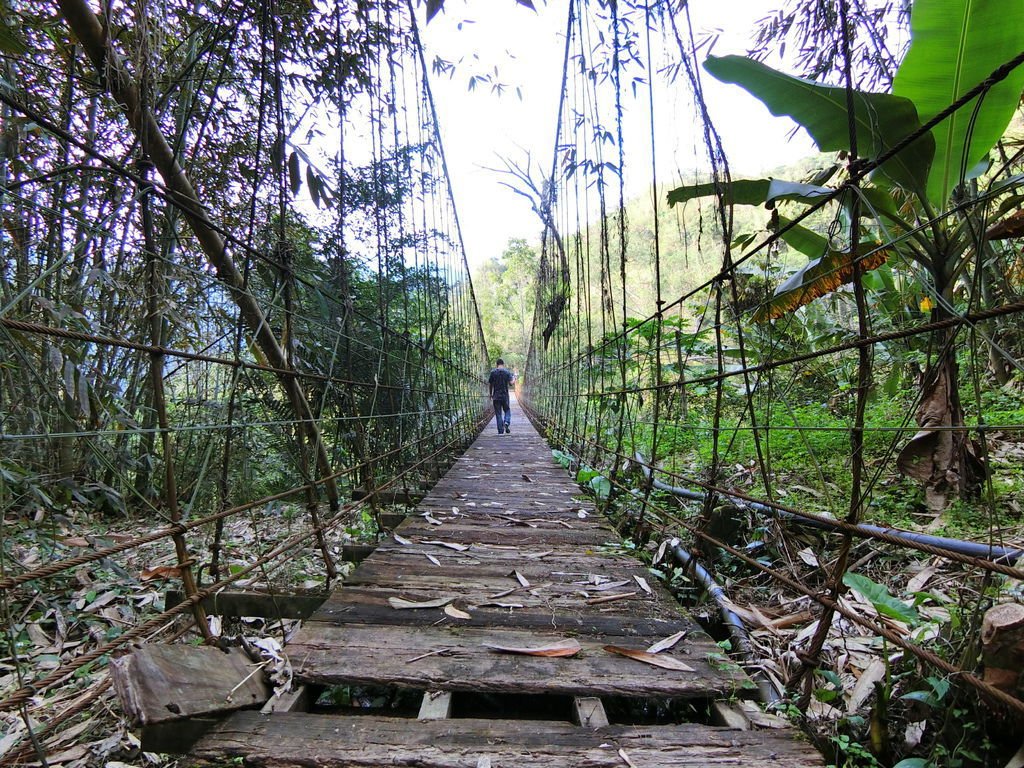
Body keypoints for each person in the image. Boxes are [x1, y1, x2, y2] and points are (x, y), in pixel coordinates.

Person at [488, 359, 515, 434]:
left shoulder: (493, 372)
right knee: (507, 410)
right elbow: (511, 383)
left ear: (496, 364)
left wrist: (490, 394)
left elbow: (490, 384)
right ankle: (506, 422)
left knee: (498, 413)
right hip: (505, 396)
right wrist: (514, 379)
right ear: (503, 364)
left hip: (496, 396)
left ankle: (500, 431)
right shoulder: (507, 372)